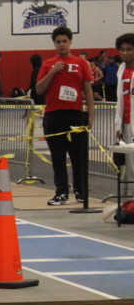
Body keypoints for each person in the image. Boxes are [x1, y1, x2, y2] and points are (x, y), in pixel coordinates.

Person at [35, 27, 95, 206]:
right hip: (53, 115)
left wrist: (90, 115)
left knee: (78, 156)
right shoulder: (48, 64)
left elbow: (88, 90)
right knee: (58, 157)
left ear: (70, 42)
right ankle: (61, 192)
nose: (61, 45)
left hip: (75, 115)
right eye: (58, 42)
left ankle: (80, 191)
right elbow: (39, 89)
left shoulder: (81, 63)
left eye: (64, 41)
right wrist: (53, 71)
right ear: (54, 44)